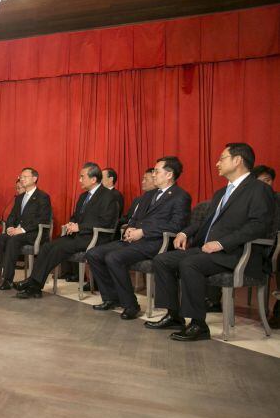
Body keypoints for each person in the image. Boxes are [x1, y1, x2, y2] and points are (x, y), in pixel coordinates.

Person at [146, 143, 275, 341]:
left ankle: (199, 325)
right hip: (209, 251)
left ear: (237, 160)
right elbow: (205, 222)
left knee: (189, 263)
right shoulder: (221, 193)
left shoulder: (258, 189)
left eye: (222, 158)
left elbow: (258, 226)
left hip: (237, 253)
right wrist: (183, 232)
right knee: (163, 260)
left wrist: (222, 243)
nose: (217, 163)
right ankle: (174, 315)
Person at [86, 157, 192, 320]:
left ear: (169, 174)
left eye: (157, 171)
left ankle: (130, 305)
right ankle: (112, 298)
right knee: (93, 253)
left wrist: (143, 232)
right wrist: (130, 229)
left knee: (114, 257)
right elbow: (135, 218)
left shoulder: (180, 196)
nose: (153, 174)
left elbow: (176, 226)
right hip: (135, 240)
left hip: (156, 243)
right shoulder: (149, 195)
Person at [14, 162, 119, 299]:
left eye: (82, 177)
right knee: (47, 246)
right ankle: (34, 285)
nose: (80, 180)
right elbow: (75, 216)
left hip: (95, 237)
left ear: (93, 179)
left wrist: (80, 227)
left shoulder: (108, 196)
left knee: (58, 249)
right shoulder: (83, 196)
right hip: (79, 236)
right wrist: (72, 223)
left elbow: (106, 222)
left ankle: (34, 283)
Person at [0, 168, 52, 290]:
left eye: (25, 177)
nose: (22, 179)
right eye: (21, 177)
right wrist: (11, 226)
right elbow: (12, 216)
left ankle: (7, 279)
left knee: (13, 241)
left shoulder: (42, 197)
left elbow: (42, 219)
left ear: (34, 179)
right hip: (18, 232)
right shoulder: (19, 197)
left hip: (33, 233)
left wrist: (22, 230)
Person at [252, 165, 280, 328]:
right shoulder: (249, 201)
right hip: (250, 246)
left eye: (267, 181)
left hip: (273, 247)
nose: (265, 185)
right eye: (260, 181)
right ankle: (213, 301)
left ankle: (278, 312)